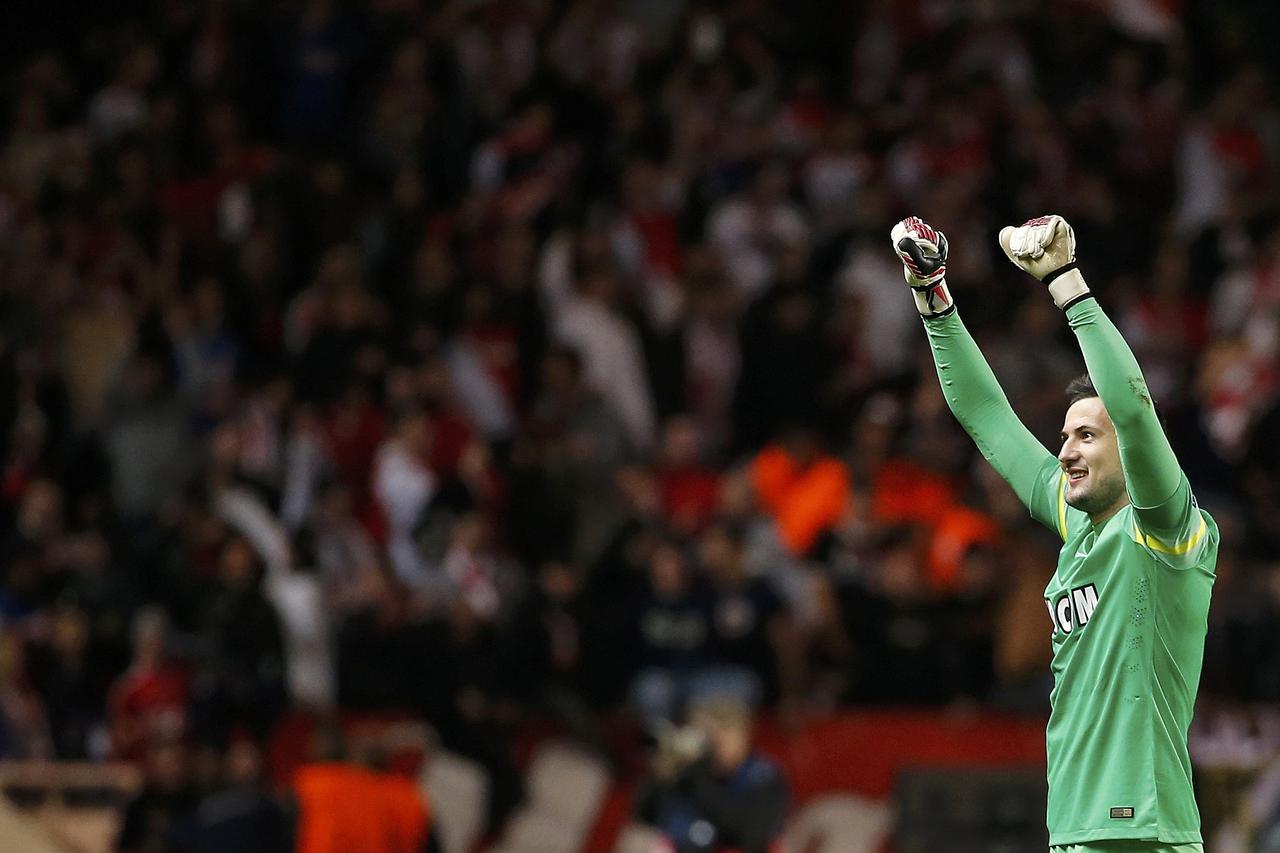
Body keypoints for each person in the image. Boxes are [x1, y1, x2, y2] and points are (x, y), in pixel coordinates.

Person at [890, 215, 1217, 852]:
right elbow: (986, 416)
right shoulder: (1078, 527)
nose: (1064, 450)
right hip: (1072, 828)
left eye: (1086, 436)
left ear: (1135, 452)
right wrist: (931, 295)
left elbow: (1132, 406)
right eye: (1065, 435)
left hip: (1141, 833)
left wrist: (1066, 283)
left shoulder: (1168, 528)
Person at [635, 695, 788, 853]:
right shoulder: (693, 772)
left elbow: (750, 836)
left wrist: (698, 781)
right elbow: (646, 816)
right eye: (709, 735)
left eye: (725, 731)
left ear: (743, 734)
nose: (717, 741)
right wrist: (661, 777)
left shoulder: (763, 776)